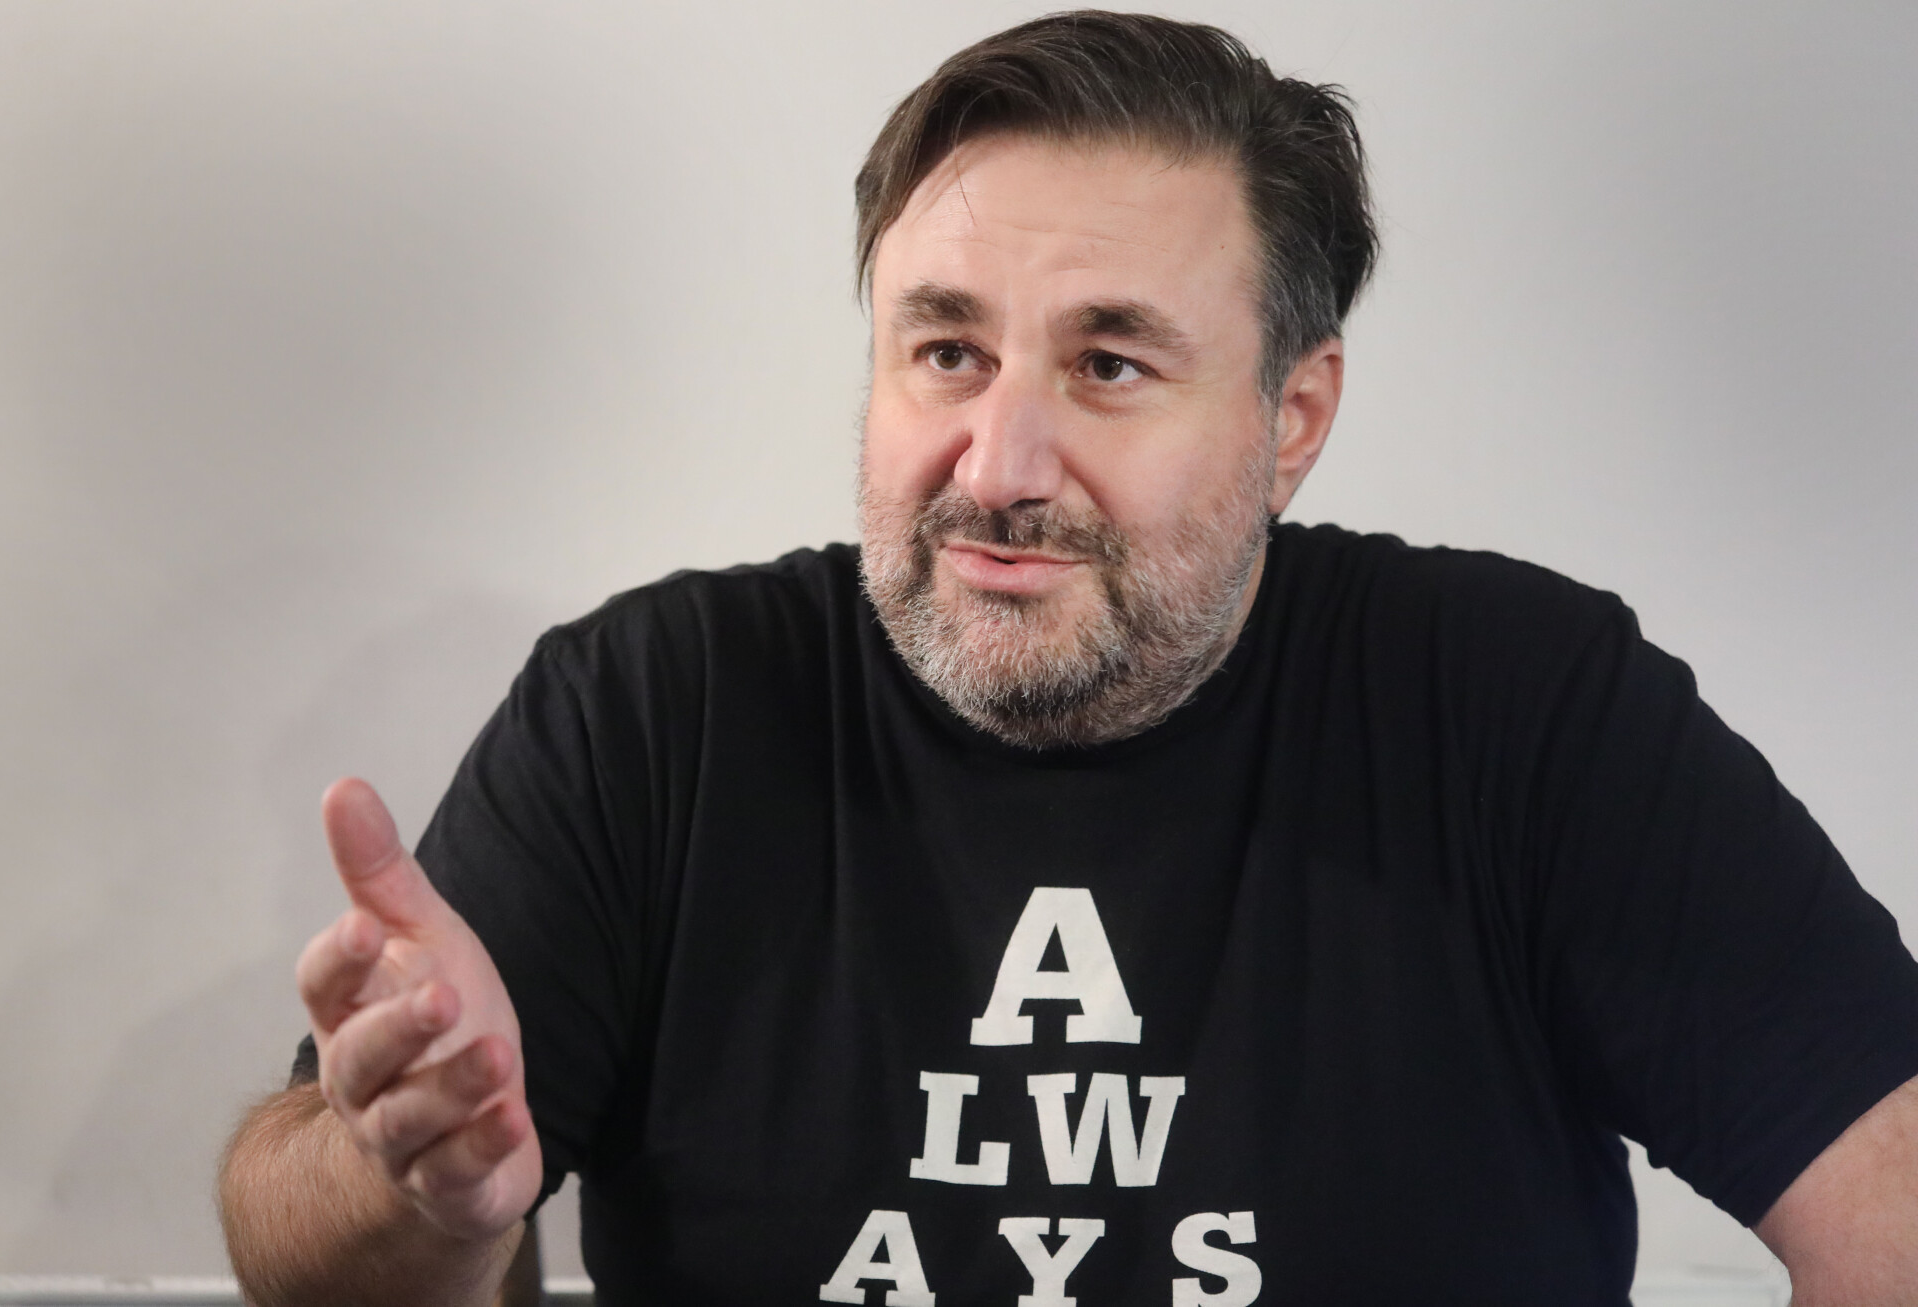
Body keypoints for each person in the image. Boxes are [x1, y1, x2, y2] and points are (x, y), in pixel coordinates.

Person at [216, 12, 1918, 1305]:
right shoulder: (658, 710)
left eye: (1110, 366)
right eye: (947, 351)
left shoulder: (1523, 710)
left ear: (1291, 417)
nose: (1001, 463)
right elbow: (302, 1253)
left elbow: (1890, 1200)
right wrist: (409, 1186)